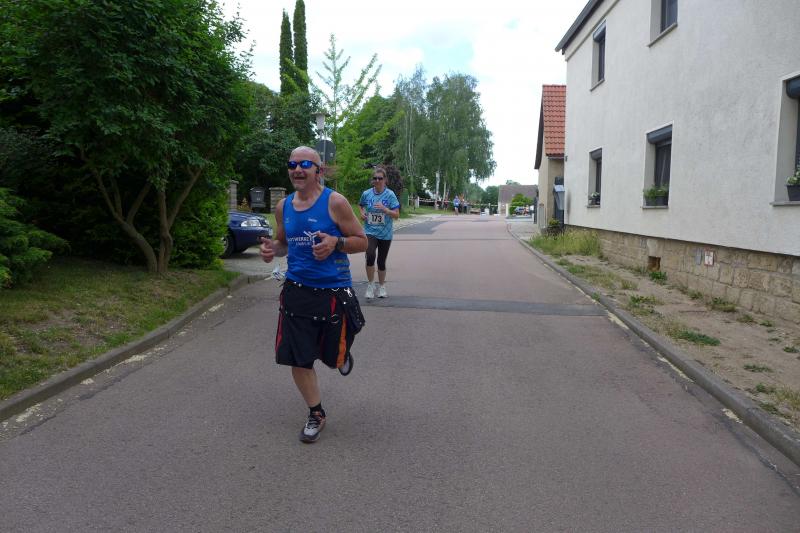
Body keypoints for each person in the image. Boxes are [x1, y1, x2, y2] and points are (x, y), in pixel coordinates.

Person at [260, 146, 367, 444]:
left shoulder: (335, 202)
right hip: (296, 291)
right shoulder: (283, 207)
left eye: (305, 164)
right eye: (292, 164)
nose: (297, 169)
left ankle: (340, 354)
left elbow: (362, 241)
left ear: (318, 170)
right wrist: (272, 250)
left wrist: (336, 243)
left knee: (333, 355)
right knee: (299, 358)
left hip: (333, 292)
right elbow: (283, 244)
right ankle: (316, 413)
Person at [359, 166, 400, 299]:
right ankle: (371, 285)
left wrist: (385, 210)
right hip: (370, 230)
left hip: (385, 233)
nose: (377, 180)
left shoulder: (390, 195)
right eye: (375, 178)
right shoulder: (366, 193)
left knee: (381, 261)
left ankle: (382, 286)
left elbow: (396, 215)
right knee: (370, 255)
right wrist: (362, 213)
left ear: (385, 180)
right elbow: (361, 205)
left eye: (380, 178)